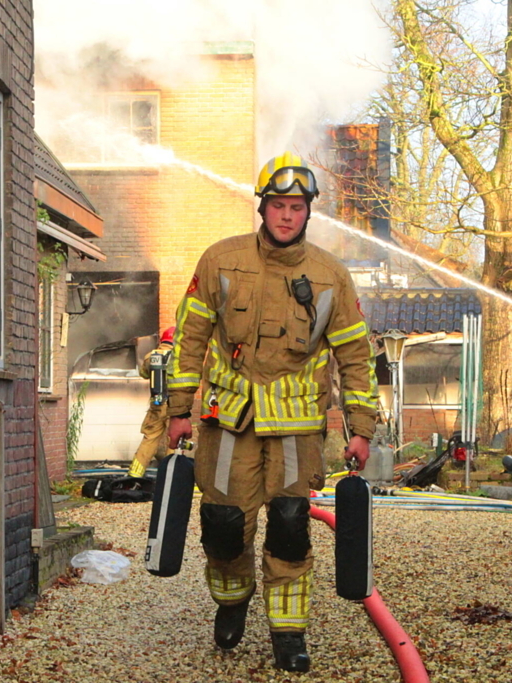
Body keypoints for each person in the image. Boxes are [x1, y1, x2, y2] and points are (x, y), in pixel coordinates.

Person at [166, 152, 378, 672]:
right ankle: (232, 602)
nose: (287, 215)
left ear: (309, 212)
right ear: (262, 208)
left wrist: (361, 428)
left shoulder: (331, 276)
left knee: (289, 525)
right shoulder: (219, 261)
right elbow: (189, 340)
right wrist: (176, 411)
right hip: (227, 424)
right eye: (279, 205)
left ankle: (289, 635)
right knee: (222, 525)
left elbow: (355, 356)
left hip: (297, 431)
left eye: (297, 206)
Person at [128, 327, 176, 478]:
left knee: (150, 438)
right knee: (174, 440)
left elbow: (143, 374)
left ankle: (135, 474)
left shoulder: (151, 356)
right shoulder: (179, 356)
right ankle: (171, 477)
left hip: (156, 403)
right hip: (176, 405)